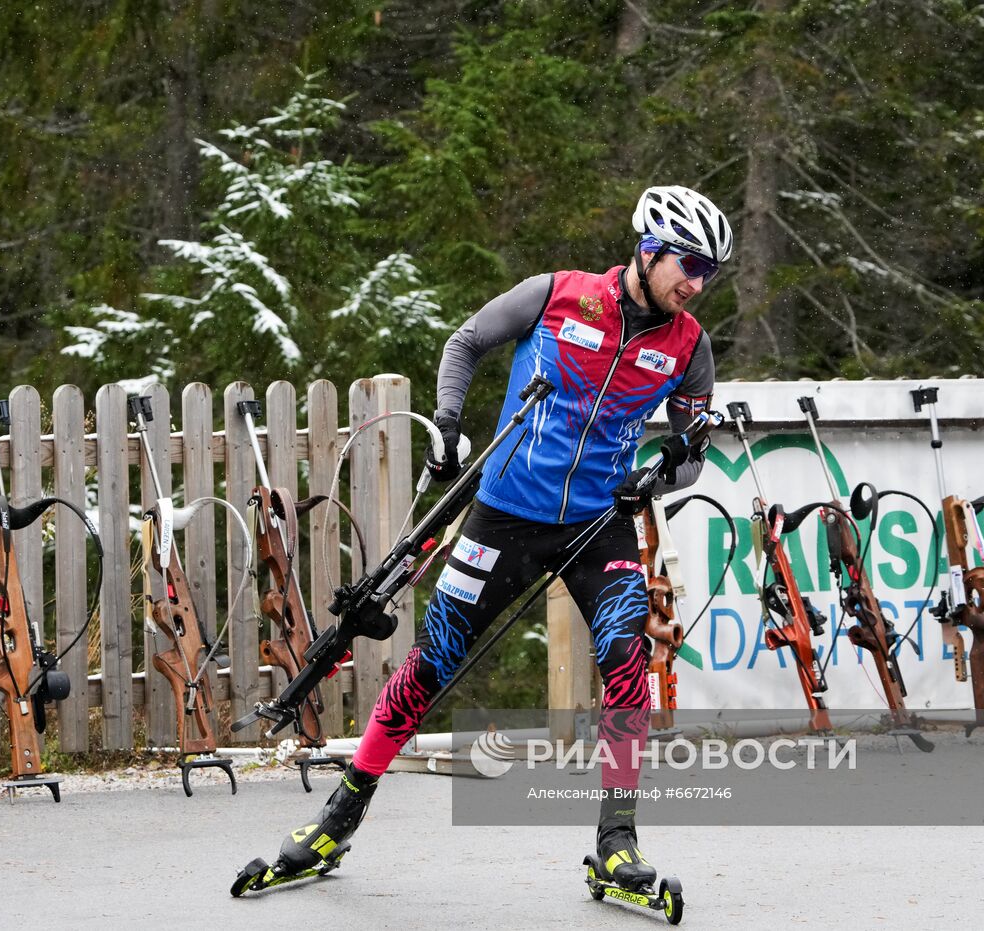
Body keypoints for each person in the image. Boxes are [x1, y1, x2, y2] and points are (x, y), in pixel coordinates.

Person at [268, 185, 730, 893]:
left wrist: (661, 472)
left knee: (626, 661)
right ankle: (338, 817)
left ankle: (616, 842)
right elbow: (467, 342)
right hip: (504, 513)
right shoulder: (558, 295)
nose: (696, 283)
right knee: (432, 664)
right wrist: (448, 421)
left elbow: (691, 451)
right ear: (648, 249)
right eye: (689, 264)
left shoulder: (688, 346)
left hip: (595, 523)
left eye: (710, 272)